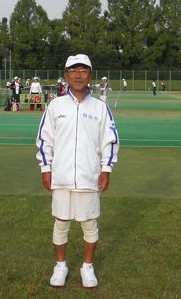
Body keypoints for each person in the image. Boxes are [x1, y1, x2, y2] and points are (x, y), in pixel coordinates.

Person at [36, 53, 119, 289]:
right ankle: (60, 266)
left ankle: (87, 267)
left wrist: (106, 169)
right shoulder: (55, 105)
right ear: (66, 76)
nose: (78, 75)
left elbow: (110, 141)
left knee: (89, 224)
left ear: (90, 75)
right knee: (61, 222)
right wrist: (45, 167)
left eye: (83, 70)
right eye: (73, 70)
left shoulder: (101, 108)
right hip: (60, 176)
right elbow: (44, 140)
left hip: (88, 177)